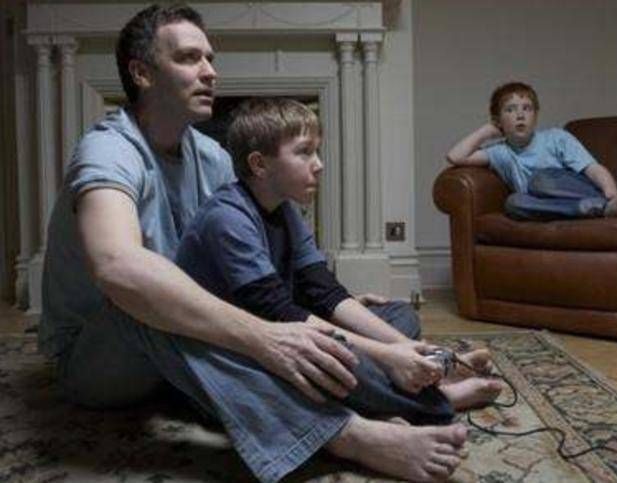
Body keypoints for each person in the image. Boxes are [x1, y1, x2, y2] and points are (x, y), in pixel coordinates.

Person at [40, 4, 477, 482]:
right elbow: (117, 266)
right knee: (154, 298)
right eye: (188, 58)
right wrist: (264, 337)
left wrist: (343, 320)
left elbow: (259, 272)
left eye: (210, 58)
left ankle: (403, 386)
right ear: (142, 73)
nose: (210, 71)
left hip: (182, 348)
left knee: (382, 316)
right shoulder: (110, 151)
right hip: (100, 355)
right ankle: (350, 434)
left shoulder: (210, 156)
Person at [175, 97, 502, 420]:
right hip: (234, 355)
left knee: (399, 314)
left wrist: (408, 348)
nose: (319, 164)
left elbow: (325, 292)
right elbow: (280, 315)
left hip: (283, 328)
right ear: (260, 164)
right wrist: (387, 355)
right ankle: (439, 399)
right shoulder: (227, 219)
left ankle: (422, 369)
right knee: (338, 354)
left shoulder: (285, 210)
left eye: (317, 151)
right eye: (304, 152)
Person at [446, 81, 617, 221]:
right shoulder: (500, 152)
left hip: (579, 191)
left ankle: (604, 204)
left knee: (539, 180)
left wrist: (612, 194)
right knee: (514, 202)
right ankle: (600, 209)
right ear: (498, 120)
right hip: (554, 207)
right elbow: (455, 156)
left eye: (527, 109)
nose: (520, 115)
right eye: (510, 110)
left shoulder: (556, 138)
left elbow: (593, 169)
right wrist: (486, 131)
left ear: (535, 116)